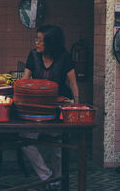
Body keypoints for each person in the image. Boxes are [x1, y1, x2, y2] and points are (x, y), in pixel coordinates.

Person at [21, 25, 79, 189]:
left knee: (58, 146)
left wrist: (77, 106)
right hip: (37, 106)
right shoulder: (33, 56)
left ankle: (56, 178)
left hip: (59, 105)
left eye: (40, 40)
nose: (36, 42)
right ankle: (45, 175)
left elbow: (73, 84)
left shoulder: (64, 57)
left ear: (51, 43)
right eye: (36, 39)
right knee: (25, 139)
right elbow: (25, 81)